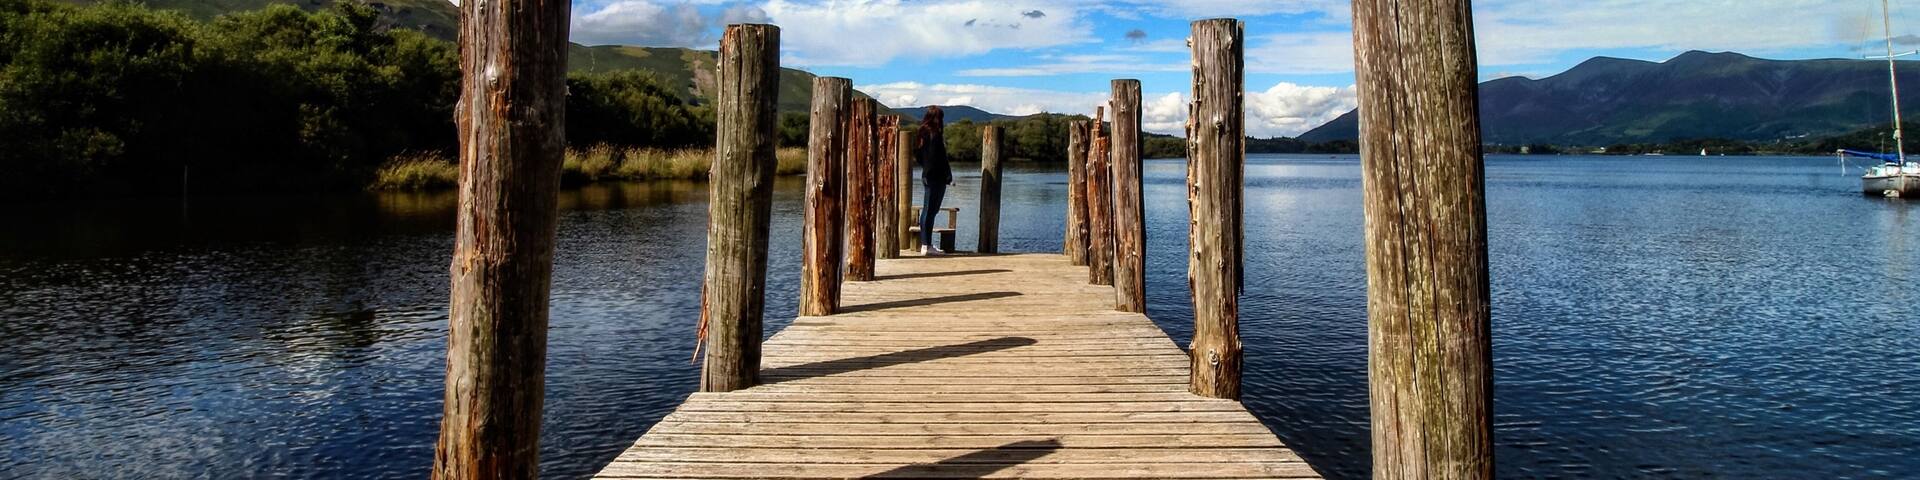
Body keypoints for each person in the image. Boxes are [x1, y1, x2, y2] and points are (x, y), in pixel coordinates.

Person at [915, 106, 953, 255]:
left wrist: (925, 169)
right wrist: (947, 176)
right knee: (932, 211)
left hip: (926, 175)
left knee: (927, 210)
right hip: (936, 177)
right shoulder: (935, 134)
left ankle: (925, 244)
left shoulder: (921, 133)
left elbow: (918, 155)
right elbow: (940, 158)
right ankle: (927, 245)